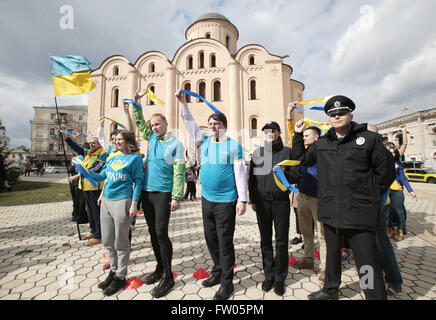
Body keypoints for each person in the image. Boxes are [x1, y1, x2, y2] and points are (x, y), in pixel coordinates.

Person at [292, 95, 396, 300]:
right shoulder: (322, 143)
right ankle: (330, 290)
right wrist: (297, 136)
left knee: (366, 260)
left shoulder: (369, 139)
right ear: (329, 118)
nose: (337, 116)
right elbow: (300, 160)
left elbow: (386, 173)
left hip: (360, 213)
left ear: (351, 115)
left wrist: (370, 196)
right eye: (332, 114)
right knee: (332, 255)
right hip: (331, 211)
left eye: (341, 113)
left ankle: (373, 295)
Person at [176, 90, 248, 300]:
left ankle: (227, 283)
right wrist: (183, 104)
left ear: (224, 126)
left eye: (216, 123)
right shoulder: (204, 141)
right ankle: (217, 271)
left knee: (225, 242)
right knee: (211, 239)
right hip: (207, 199)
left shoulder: (234, 146)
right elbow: (190, 124)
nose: (212, 126)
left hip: (226, 201)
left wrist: (242, 199)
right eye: (210, 123)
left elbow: (240, 173)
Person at [132, 89, 185, 298]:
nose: (154, 128)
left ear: (165, 125)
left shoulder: (175, 144)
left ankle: (168, 276)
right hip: (147, 193)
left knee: (162, 232)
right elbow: (139, 122)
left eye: (157, 124)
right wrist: (137, 104)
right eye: (152, 125)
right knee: (153, 233)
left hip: (163, 193)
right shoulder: (151, 139)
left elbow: (179, 171)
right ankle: (160, 268)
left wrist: (177, 196)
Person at [88, 130, 144, 296]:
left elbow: (139, 182)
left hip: (123, 201)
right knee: (107, 240)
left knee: (121, 241)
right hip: (106, 202)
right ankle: (113, 271)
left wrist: (134, 205)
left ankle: (121, 276)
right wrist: (85, 173)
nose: (116, 142)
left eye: (120, 139)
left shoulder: (135, 159)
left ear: (128, 141)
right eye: (115, 139)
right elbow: (102, 177)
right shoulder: (112, 156)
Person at [248, 121, 301, 296]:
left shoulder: (287, 152)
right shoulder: (258, 153)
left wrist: (285, 172)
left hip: (280, 202)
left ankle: (280, 278)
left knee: (281, 240)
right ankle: (268, 275)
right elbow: (252, 180)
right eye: (266, 131)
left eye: (273, 131)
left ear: (279, 132)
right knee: (265, 240)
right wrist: (253, 200)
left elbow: (296, 176)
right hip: (262, 203)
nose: (269, 134)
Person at [368, 124, 403, 296]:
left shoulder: (383, 155)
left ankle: (394, 281)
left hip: (378, 206)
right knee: (366, 247)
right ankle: (369, 285)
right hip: (364, 206)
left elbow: (383, 184)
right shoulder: (365, 152)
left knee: (380, 243)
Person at [291, 125, 327, 284]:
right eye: (303, 136)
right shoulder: (308, 150)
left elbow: (300, 158)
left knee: (323, 234)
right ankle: (308, 258)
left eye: (307, 136)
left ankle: (325, 268)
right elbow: (299, 164)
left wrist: (297, 135)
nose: (304, 138)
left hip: (319, 198)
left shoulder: (320, 149)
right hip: (303, 195)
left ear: (316, 137)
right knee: (306, 231)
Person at [63, 134, 108, 246]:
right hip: (85, 187)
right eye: (91, 143)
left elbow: (95, 169)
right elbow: (77, 148)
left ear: (100, 144)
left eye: (94, 142)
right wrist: (67, 138)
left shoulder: (102, 154)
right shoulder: (88, 152)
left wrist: (77, 175)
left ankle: (99, 235)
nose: (92, 144)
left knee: (96, 212)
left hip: (96, 187)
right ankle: (93, 231)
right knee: (90, 211)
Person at [385, 141, 418, 241]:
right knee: (388, 212)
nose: (392, 154)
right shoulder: (382, 163)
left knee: (399, 211)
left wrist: (411, 191)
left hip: (397, 190)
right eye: (389, 152)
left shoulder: (398, 165)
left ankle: (400, 230)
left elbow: (403, 178)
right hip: (386, 191)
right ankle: (390, 229)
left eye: (393, 152)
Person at [286, 105, 303, 245]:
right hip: (297, 185)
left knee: (312, 215)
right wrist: (289, 113)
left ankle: (309, 237)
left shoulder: (314, 148)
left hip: (311, 185)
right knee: (297, 210)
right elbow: (291, 129)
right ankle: (299, 234)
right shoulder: (297, 145)